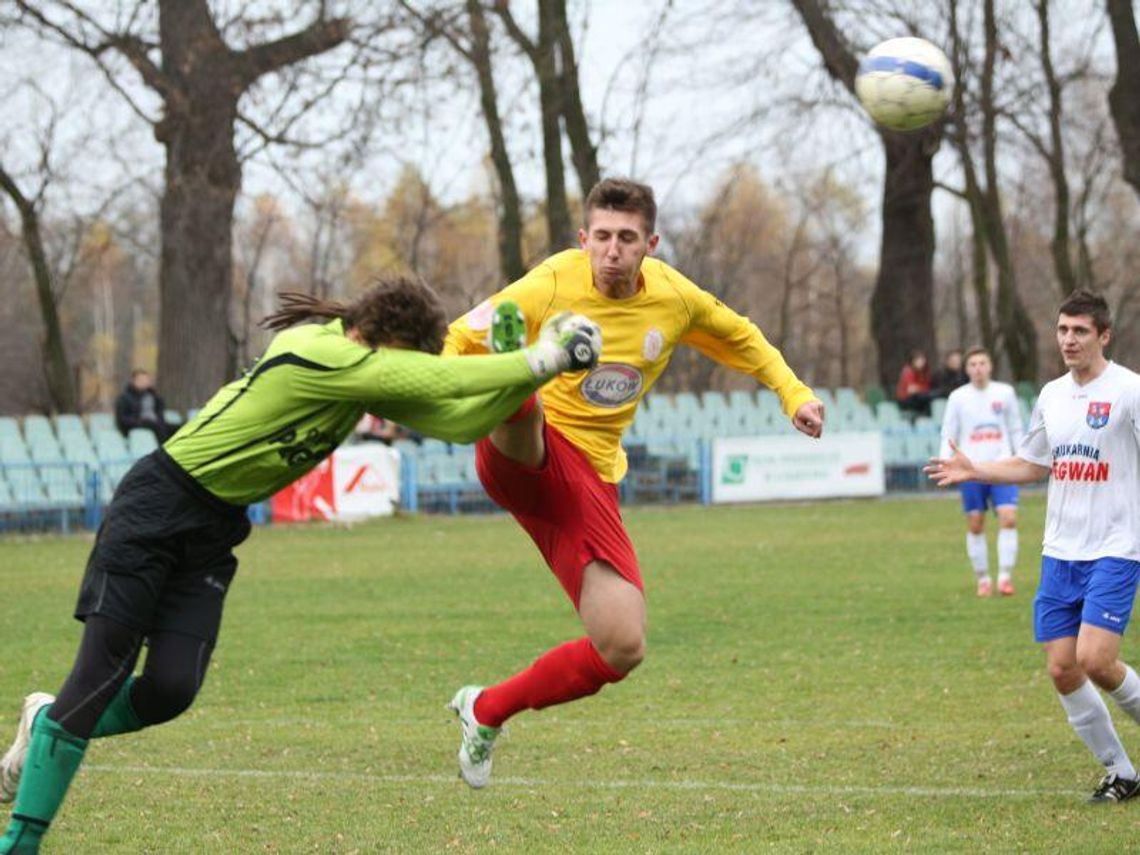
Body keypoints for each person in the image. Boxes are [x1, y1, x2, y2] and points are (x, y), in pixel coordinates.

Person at [0, 275, 603, 853]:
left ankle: (50, 722)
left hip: (212, 530)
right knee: (101, 672)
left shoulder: (361, 376)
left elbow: (460, 419)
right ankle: (20, 839)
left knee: (171, 689)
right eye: (409, 355)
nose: (405, 370)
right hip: (157, 506)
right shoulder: (315, 349)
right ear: (387, 337)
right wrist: (545, 357)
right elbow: (435, 380)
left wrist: (522, 381)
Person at [442, 177, 824, 788]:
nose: (611, 250)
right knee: (525, 405)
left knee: (622, 646)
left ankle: (485, 710)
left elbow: (743, 338)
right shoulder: (553, 280)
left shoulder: (675, 298)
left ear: (650, 242)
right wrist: (439, 396)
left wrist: (794, 394)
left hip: (588, 481)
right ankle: (517, 370)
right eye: (600, 237)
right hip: (528, 450)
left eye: (625, 238)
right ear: (582, 239)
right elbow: (458, 337)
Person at [927, 289, 1140, 804]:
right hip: (1059, 551)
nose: (1068, 339)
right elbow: (1032, 464)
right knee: (1062, 668)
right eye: (1063, 330)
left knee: (1095, 659)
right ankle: (1122, 773)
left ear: (1103, 336)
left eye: (1080, 331)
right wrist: (976, 468)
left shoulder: (1130, 391)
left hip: (1116, 546)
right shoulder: (1051, 395)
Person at [938, 347, 1024, 597]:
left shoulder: (1005, 393)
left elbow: (1016, 427)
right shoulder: (958, 397)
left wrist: (1021, 456)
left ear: (990, 366)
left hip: (1002, 466)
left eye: (982, 363)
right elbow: (949, 432)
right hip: (971, 470)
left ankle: (1005, 577)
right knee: (976, 524)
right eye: (973, 364)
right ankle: (983, 578)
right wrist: (946, 461)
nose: (978, 368)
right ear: (967, 369)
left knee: (1008, 518)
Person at [114, 370, 175, 442]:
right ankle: (164, 450)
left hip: (155, 423)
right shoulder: (125, 398)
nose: (144, 382)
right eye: (141, 380)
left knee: (180, 428)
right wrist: (139, 421)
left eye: (146, 380)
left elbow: (160, 412)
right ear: (133, 381)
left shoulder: (154, 396)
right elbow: (122, 418)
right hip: (136, 424)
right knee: (159, 427)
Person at [896, 349, 932, 417]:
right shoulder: (908, 371)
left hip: (919, 397)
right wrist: (922, 389)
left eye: (922, 360)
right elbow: (911, 390)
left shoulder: (924, 372)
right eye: (918, 360)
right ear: (912, 361)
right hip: (906, 400)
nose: (921, 362)